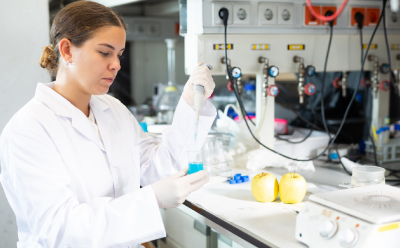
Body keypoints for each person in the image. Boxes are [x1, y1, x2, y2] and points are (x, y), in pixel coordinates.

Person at [0, 1, 216, 248]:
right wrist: (151, 199)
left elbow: (162, 168)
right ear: (67, 50)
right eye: (105, 52)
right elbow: (58, 230)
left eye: (119, 54)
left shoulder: (112, 110)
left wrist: (189, 103)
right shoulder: (29, 129)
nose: (117, 64)